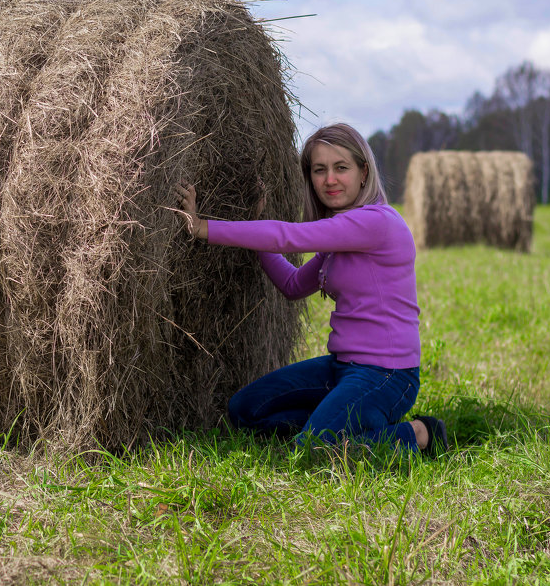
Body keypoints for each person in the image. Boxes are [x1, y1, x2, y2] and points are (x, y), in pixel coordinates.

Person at [173, 122, 447, 456]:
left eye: (341, 168)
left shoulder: (377, 222)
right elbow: (292, 285)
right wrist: (259, 237)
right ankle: (341, 427)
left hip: (387, 376)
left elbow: (288, 235)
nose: (330, 179)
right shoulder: (340, 236)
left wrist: (202, 227)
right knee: (245, 409)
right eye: (320, 170)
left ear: (364, 172)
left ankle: (417, 434)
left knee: (311, 451)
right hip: (342, 368)